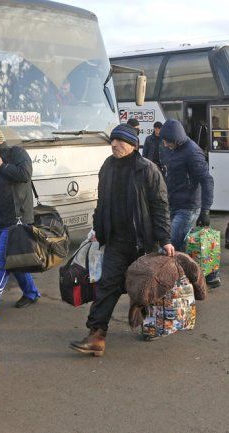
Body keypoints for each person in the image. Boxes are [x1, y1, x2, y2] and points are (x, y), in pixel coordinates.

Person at [69, 124, 172, 357]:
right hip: (115, 241)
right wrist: (98, 229)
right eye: (113, 141)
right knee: (107, 286)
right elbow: (101, 202)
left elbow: (160, 206)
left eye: (120, 141)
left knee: (145, 287)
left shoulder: (147, 169)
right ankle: (97, 335)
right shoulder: (108, 166)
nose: (115, 145)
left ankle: (151, 325)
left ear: (133, 145)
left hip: (143, 243)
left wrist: (165, 239)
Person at [0, 127, 40, 314]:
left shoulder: (18, 153)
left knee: (1, 263)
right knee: (15, 260)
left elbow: (24, 175)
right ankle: (31, 292)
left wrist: (1, 166)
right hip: (0, 220)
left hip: (17, 222)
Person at [158, 119, 218, 287]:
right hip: (173, 203)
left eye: (167, 141)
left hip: (189, 207)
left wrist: (205, 210)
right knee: (186, 245)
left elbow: (207, 180)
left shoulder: (192, 152)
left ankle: (166, 282)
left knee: (170, 244)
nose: (165, 144)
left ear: (176, 138)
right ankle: (209, 276)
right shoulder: (170, 149)